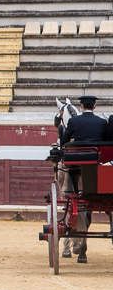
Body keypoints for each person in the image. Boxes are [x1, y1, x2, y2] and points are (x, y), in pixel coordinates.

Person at [59, 95, 107, 263]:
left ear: (81, 106)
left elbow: (64, 141)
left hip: (76, 164)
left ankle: (73, 190)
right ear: (94, 106)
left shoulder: (73, 122)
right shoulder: (102, 122)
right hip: (96, 164)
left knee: (69, 171)